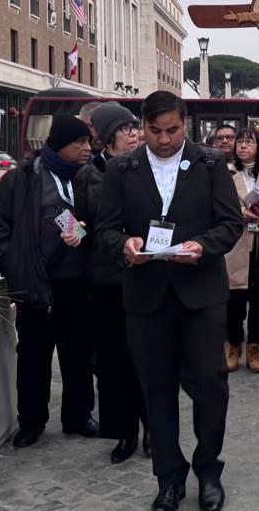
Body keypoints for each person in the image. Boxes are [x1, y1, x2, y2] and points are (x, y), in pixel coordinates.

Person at [95, 91, 244, 511]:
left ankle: (209, 468)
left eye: (172, 131)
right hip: (146, 295)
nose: (163, 140)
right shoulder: (121, 168)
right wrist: (125, 245)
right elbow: (105, 230)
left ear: (185, 125)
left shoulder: (211, 163)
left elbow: (230, 223)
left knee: (210, 384)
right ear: (142, 127)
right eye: (155, 131)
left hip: (201, 293)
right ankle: (169, 478)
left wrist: (203, 245)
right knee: (155, 389)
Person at [0, 114, 99, 449]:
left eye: (88, 141)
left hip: (79, 284)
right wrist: (16, 266)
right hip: (36, 283)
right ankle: (31, 423)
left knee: (79, 356)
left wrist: (87, 231)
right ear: (60, 144)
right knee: (33, 358)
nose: (87, 148)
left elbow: (103, 221)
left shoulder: (89, 177)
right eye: (79, 142)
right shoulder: (22, 179)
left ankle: (78, 416)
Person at [78, 103, 148, 464]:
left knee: (149, 359)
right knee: (114, 363)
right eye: (125, 129)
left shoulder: (148, 168)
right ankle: (125, 432)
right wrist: (74, 234)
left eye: (135, 127)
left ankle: (154, 428)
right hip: (107, 281)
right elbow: (75, 220)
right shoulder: (88, 176)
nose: (134, 134)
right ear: (107, 138)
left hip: (146, 275)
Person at [224, 129, 259, 373]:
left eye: (249, 142)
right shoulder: (225, 172)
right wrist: (240, 213)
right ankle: (234, 345)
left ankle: (254, 348)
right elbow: (218, 203)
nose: (243, 146)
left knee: (258, 300)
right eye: (240, 142)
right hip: (236, 242)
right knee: (234, 301)